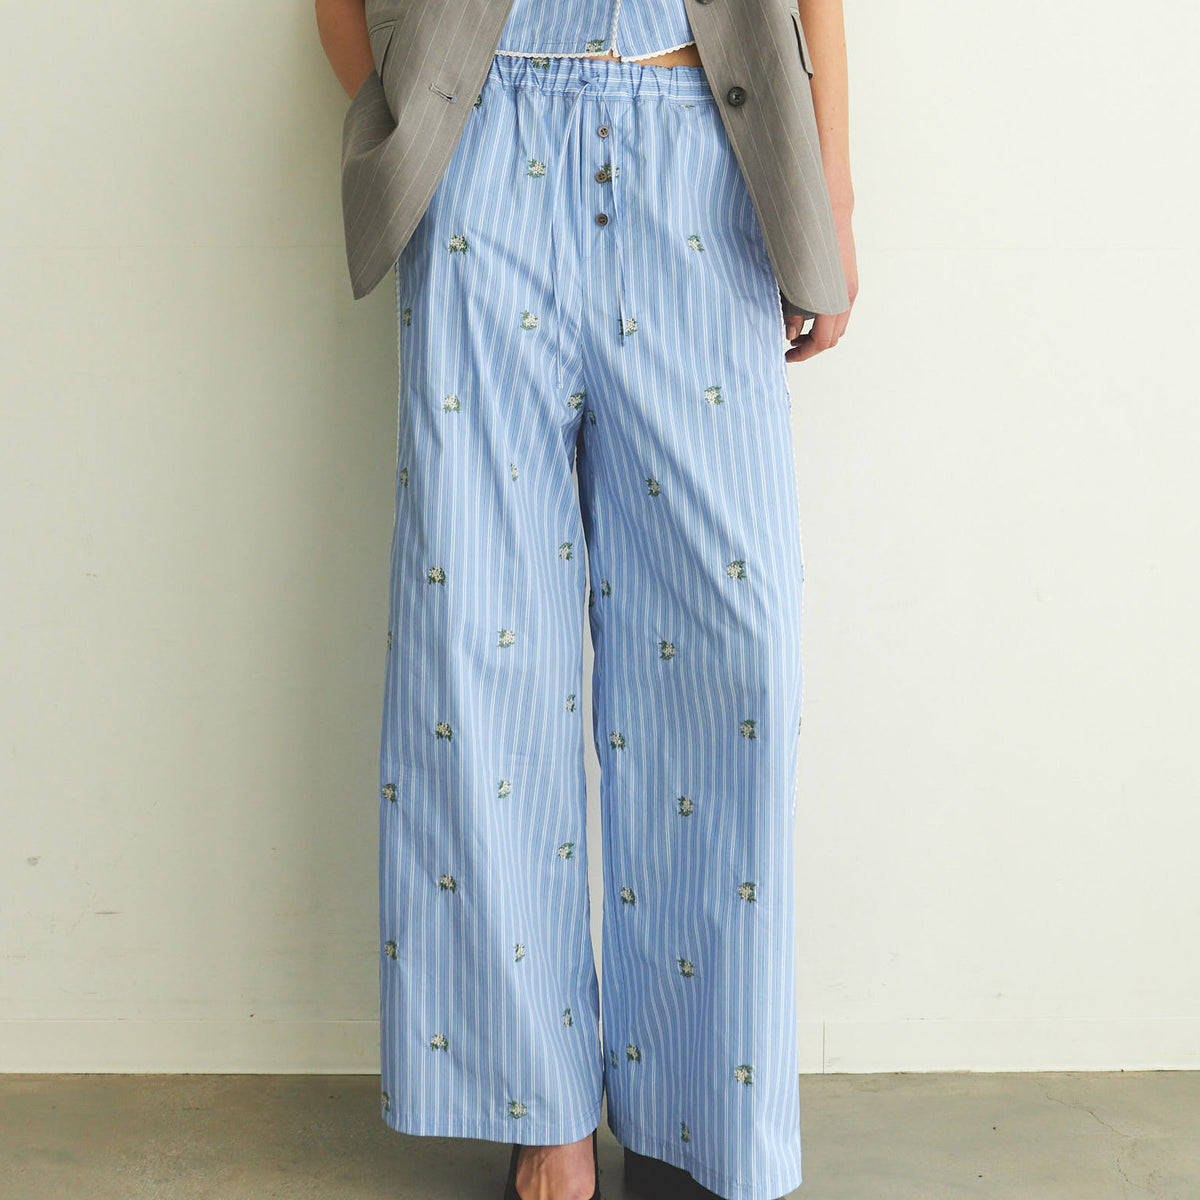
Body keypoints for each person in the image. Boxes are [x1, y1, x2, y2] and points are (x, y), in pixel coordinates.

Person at [314, 3, 857, 1198]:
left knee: (736, 656)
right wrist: (410, 117)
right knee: (477, 642)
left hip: (703, 148)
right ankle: (540, 1103)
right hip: (487, 149)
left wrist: (830, 185)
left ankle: (704, 1110)